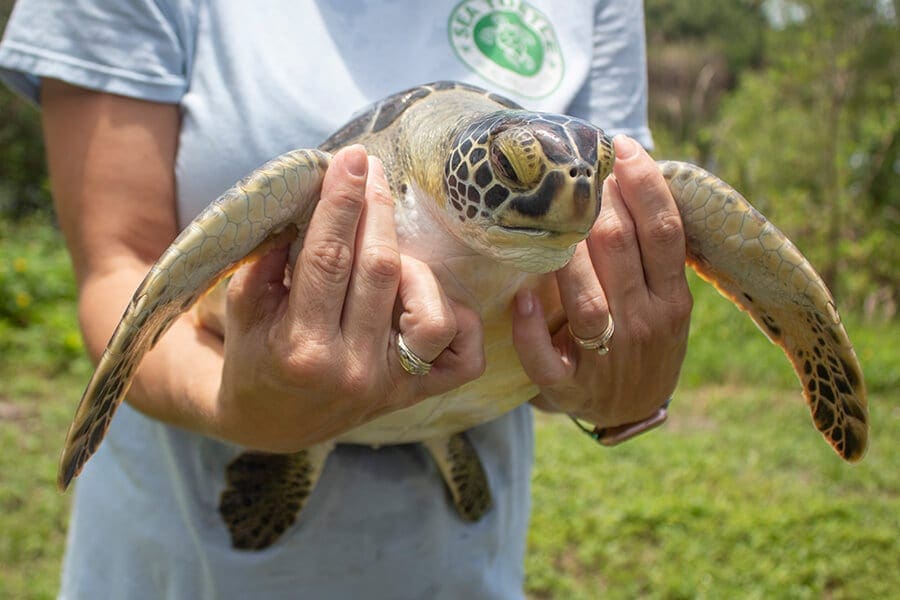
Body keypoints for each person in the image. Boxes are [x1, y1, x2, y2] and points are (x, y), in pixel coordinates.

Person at [0, 1, 692, 597]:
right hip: (174, 569)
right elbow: (120, 269)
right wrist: (241, 407)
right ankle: (305, 453)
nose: (571, 196)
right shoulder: (345, 169)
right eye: (517, 169)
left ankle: (441, 437)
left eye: (586, 176)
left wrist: (624, 390)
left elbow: (616, 221)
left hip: (459, 566)